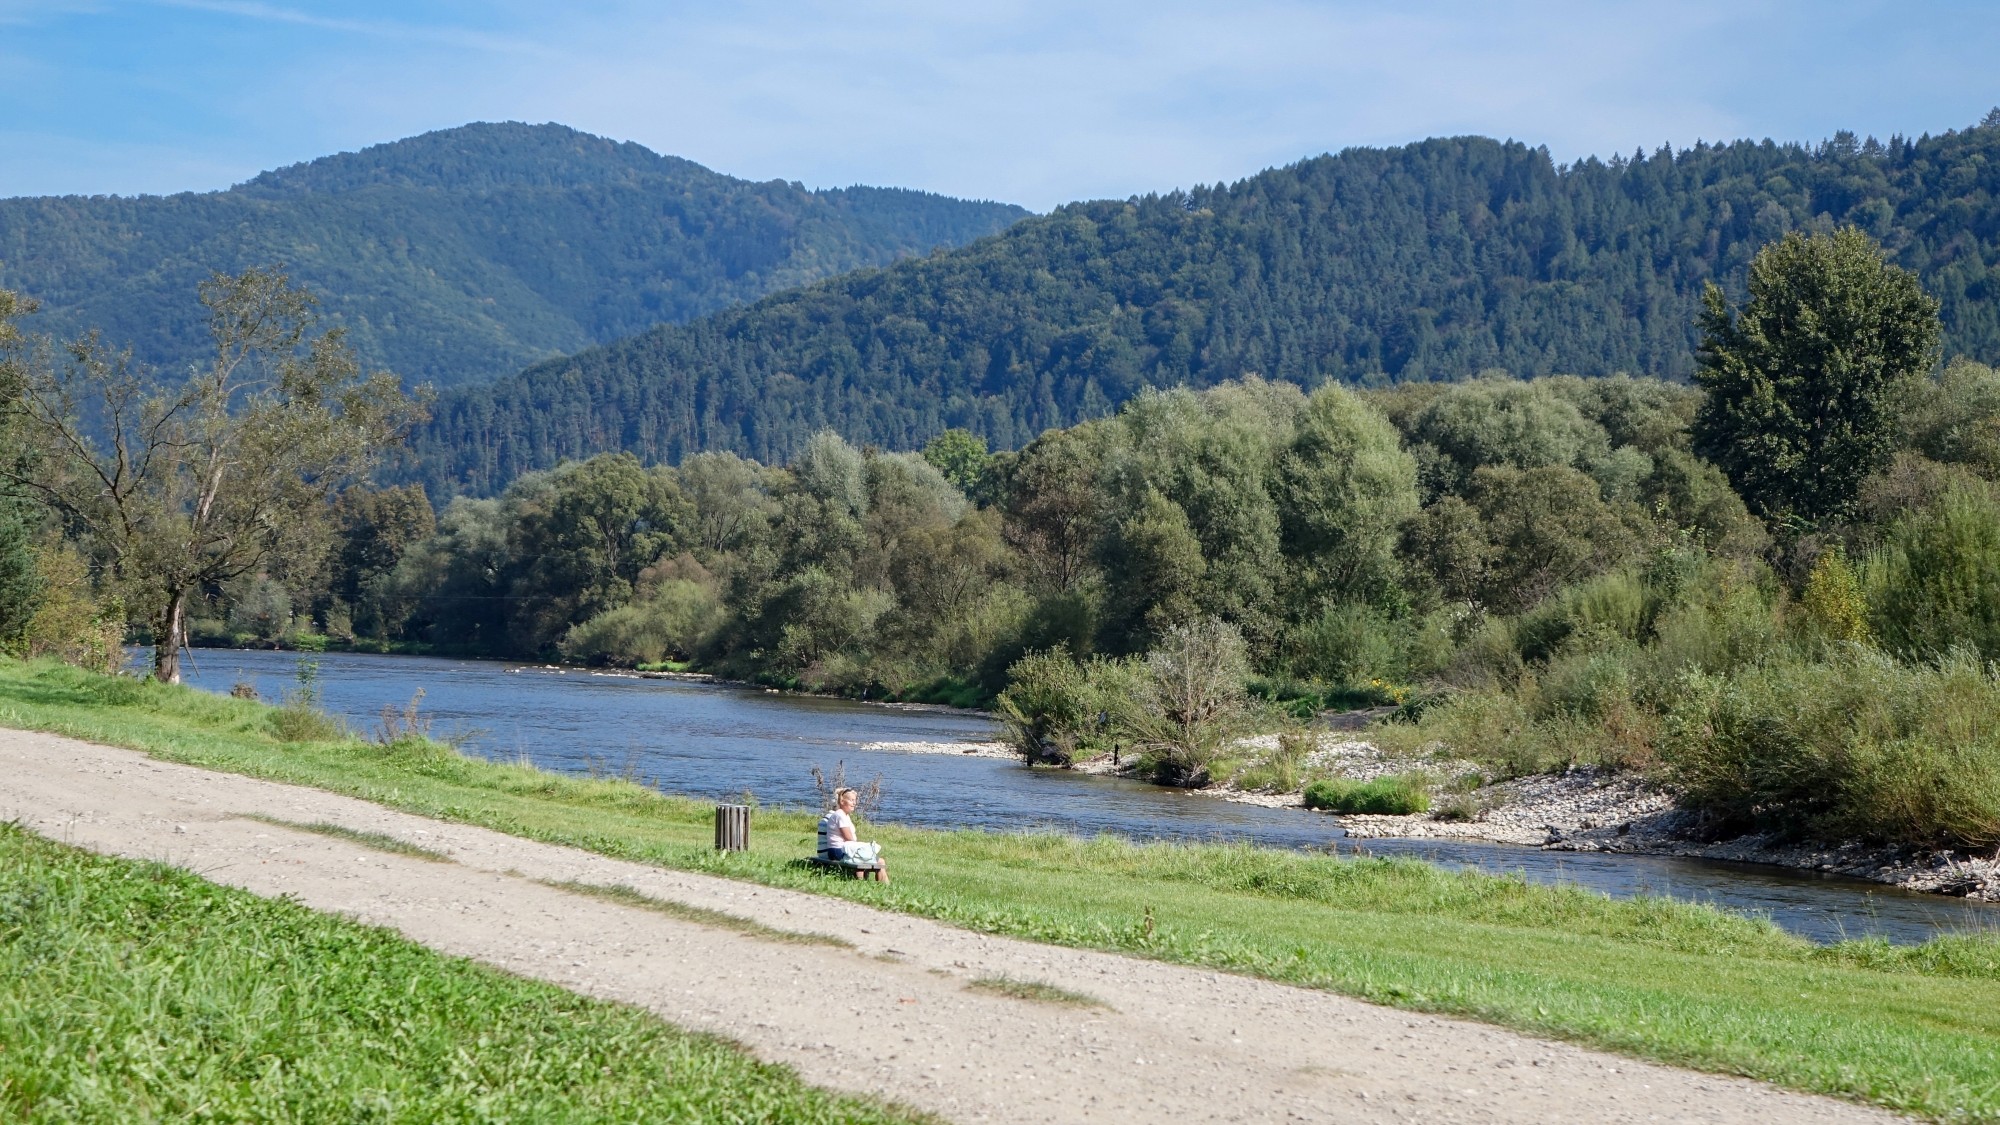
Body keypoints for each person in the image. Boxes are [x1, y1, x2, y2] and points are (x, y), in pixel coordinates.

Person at [817, 787, 888, 883]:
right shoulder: (840, 815)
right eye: (851, 800)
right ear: (842, 801)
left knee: (866, 855)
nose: (854, 803)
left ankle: (863, 882)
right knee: (878, 861)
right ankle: (881, 887)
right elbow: (848, 838)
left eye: (855, 800)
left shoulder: (840, 815)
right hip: (837, 851)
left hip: (836, 850)